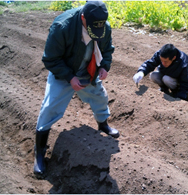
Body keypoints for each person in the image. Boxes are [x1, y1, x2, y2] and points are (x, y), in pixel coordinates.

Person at [34, 1, 119, 176]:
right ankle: (39, 152)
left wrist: (104, 66)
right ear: (82, 18)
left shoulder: (103, 27)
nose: (97, 32)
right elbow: (50, 59)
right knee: (50, 108)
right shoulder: (62, 26)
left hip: (88, 70)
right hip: (64, 72)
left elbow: (108, 49)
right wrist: (70, 77)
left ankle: (103, 124)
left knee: (100, 96)